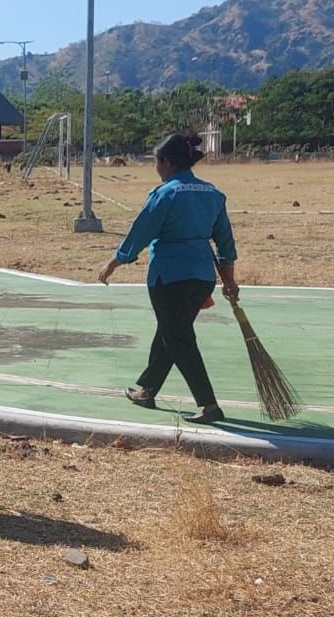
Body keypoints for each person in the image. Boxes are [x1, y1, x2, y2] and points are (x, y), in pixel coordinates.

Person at [98, 132, 238, 425]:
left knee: (179, 339)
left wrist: (115, 261)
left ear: (167, 162)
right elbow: (225, 243)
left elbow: (140, 232)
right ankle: (147, 390)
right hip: (202, 277)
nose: (155, 167)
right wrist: (229, 280)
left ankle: (209, 405)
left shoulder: (165, 194)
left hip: (170, 277)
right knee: (171, 332)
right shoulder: (212, 193)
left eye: (156, 161)